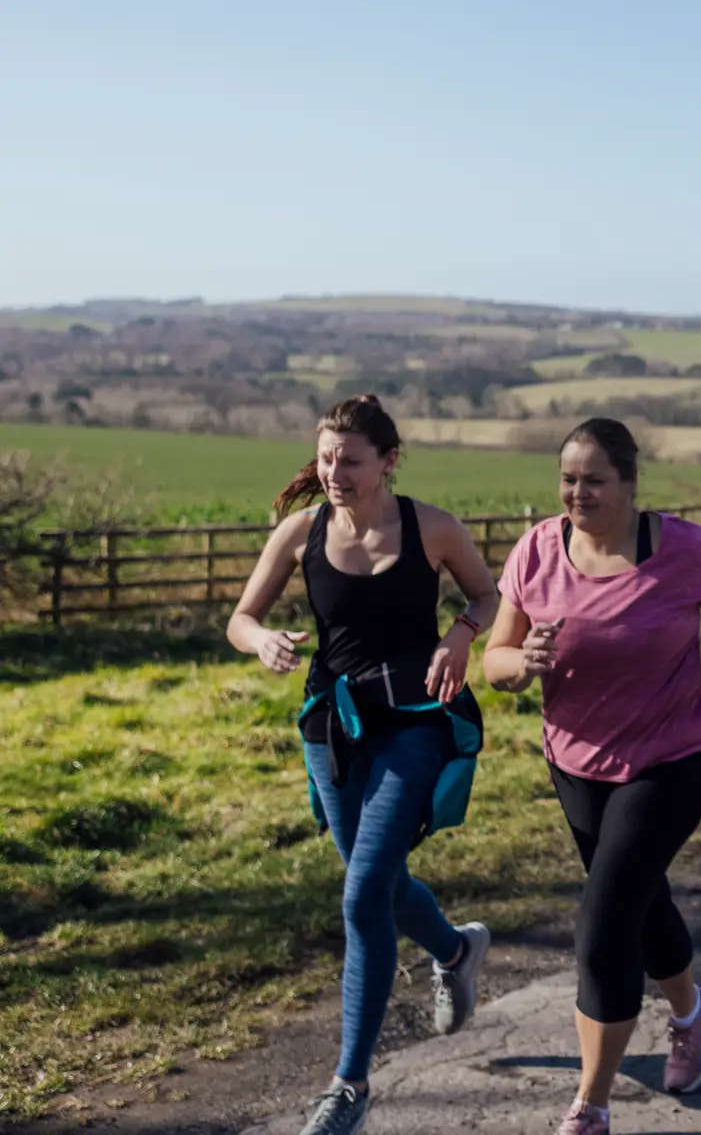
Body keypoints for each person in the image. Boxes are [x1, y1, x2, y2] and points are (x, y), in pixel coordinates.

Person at [484, 417, 701, 1135]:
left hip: (670, 759)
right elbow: (495, 660)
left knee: (605, 920)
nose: (578, 492)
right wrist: (524, 665)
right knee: (640, 903)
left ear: (630, 484)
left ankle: (592, 1103)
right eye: (568, 479)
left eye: (594, 480)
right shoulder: (537, 551)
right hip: (575, 764)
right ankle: (692, 1010)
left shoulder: (681, 549)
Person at [228, 394, 499, 1135]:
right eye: (325, 459)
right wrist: (262, 642)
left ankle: (349, 1085)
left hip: (416, 720)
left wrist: (462, 635)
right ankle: (455, 947)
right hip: (333, 727)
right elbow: (239, 617)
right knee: (372, 878)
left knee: (361, 895)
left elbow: (488, 591)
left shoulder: (431, 526)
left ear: (387, 461)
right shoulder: (300, 531)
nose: (334, 472)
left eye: (350, 460)